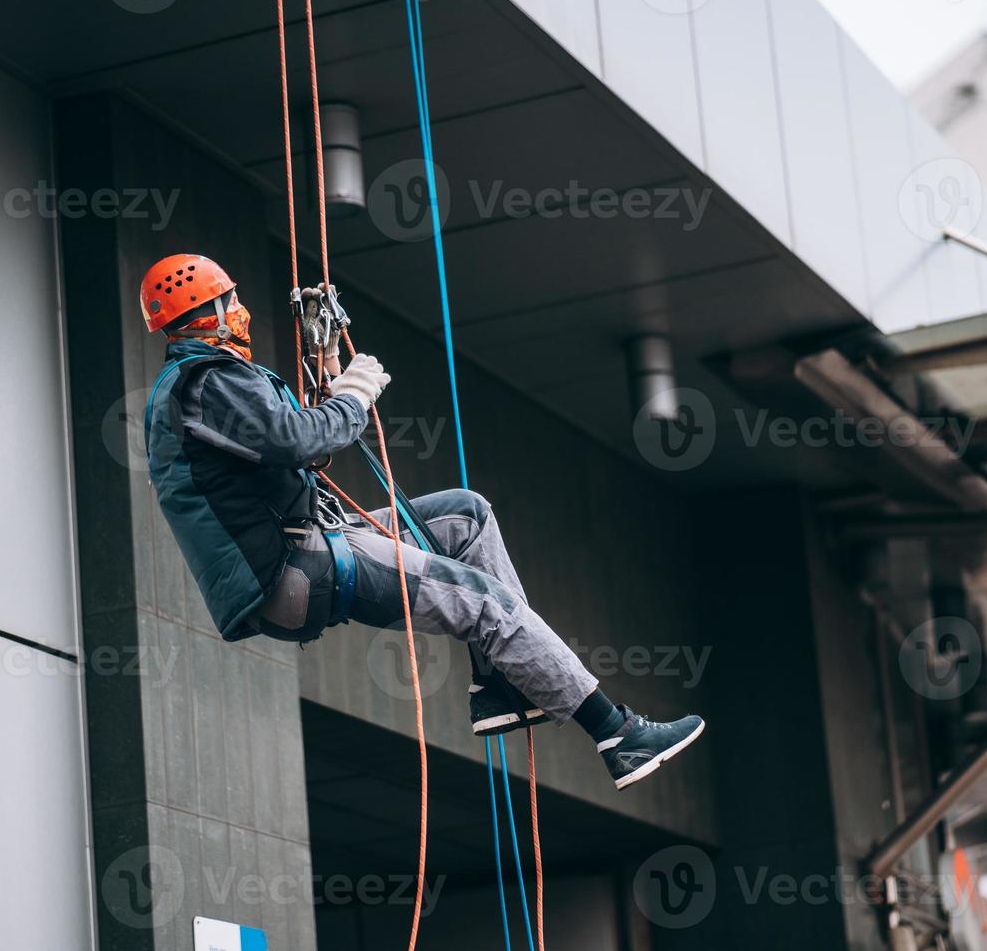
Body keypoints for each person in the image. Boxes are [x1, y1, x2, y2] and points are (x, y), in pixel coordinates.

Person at [139, 254, 705, 790]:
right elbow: (301, 440)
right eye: (231, 301)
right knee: (485, 602)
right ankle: (617, 734)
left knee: (466, 515)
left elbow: (297, 448)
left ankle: (499, 686)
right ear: (210, 314)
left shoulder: (201, 386)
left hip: (304, 550)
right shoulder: (209, 380)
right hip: (297, 566)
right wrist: (354, 397)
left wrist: (330, 373)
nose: (241, 311)